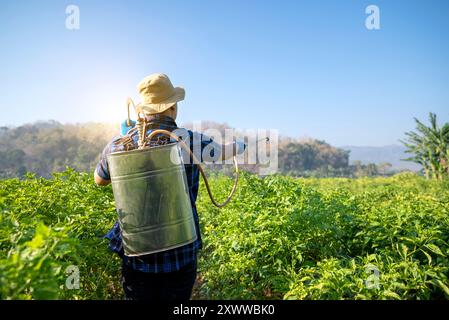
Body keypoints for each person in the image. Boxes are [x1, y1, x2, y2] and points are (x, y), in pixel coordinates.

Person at [94, 73, 245, 301]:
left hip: (137, 254)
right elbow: (223, 151)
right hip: (179, 250)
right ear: (173, 107)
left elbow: (99, 179)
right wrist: (241, 145)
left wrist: (126, 144)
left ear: (142, 110)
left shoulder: (118, 144)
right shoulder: (189, 140)